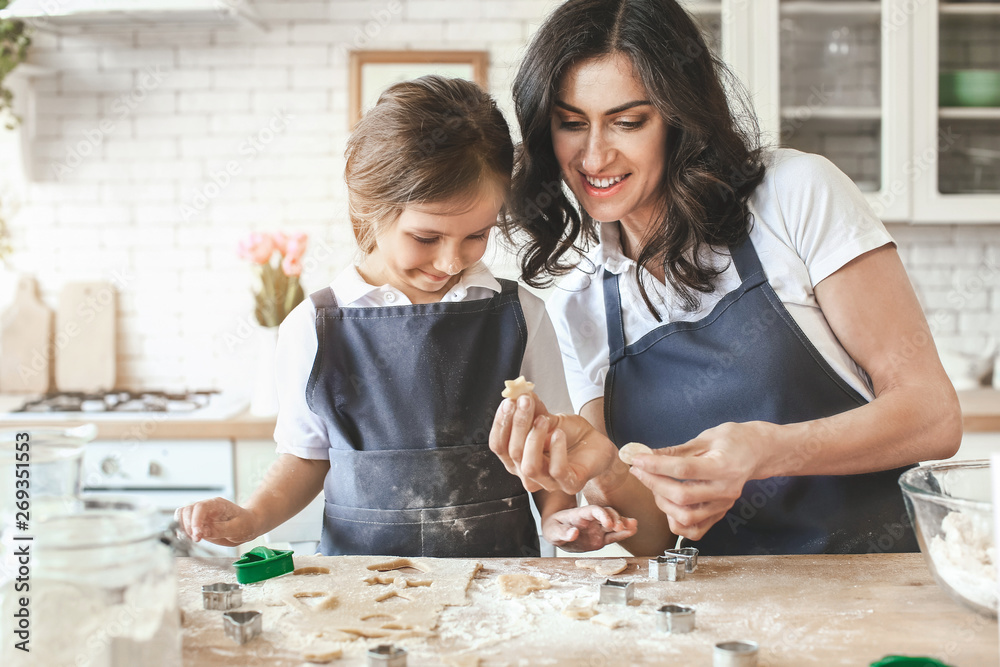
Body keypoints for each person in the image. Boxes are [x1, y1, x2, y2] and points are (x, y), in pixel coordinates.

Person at [489, 0, 962, 556]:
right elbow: (659, 531)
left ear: (678, 118)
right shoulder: (580, 297)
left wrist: (768, 450)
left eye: (628, 121)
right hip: (720, 612)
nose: (593, 156)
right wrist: (605, 474)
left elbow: (933, 415)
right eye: (571, 124)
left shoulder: (794, 195)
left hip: (875, 582)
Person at [175, 75, 636, 557]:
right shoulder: (313, 326)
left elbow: (549, 446)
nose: (451, 262)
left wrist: (561, 517)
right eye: (426, 237)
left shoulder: (520, 314)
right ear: (372, 208)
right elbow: (304, 459)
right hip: (361, 590)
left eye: (476, 235)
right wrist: (250, 519)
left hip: (498, 581)